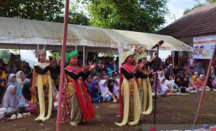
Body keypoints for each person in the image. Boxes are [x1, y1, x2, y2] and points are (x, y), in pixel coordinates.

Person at [60, 47, 95, 126]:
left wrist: (89, 71)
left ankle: (80, 119)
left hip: (80, 87)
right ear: (69, 59)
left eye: (76, 58)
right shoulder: (67, 69)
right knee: (75, 104)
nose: (76, 60)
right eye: (73, 58)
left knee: (82, 103)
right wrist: (82, 71)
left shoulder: (79, 68)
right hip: (72, 88)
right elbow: (75, 77)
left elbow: (83, 78)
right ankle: (74, 120)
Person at [115, 47, 141, 126]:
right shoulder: (123, 68)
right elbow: (128, 76)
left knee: (134, 102)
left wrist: (140, 70)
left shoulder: (133, 66)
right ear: (126, 58)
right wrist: (134, 69)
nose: (132, 58)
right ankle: (127, 118)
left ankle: (133, 117)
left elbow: (139, 75)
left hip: (133, 86)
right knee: (127, 102)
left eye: (133, 57)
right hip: (126, 87)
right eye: (131, 57)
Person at [31, 45, 56, 121]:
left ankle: (49, 111)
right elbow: (41, 72)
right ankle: (42, 112)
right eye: (42, 55)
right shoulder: (36, 65)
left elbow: (54, 72)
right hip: (40, 82)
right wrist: (49, 65)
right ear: (39, 57)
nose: (43, 57)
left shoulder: (47, 65)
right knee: (41, 97)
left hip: (48, 82)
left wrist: (54, 64)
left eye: (44, 55)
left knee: (48, 97)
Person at [135, 48, 152, 115]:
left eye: (145, 58)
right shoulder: (138, 65)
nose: (145, 60)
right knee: (141, 93)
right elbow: (139, 75)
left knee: (147, 93)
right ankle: (140, 108)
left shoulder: (146, 65)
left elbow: (147, 73)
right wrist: (147, 75)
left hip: (146, 80)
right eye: (143, 58)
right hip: (141, 80)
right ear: (140, 59)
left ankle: (146, 107)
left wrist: (150, 74)